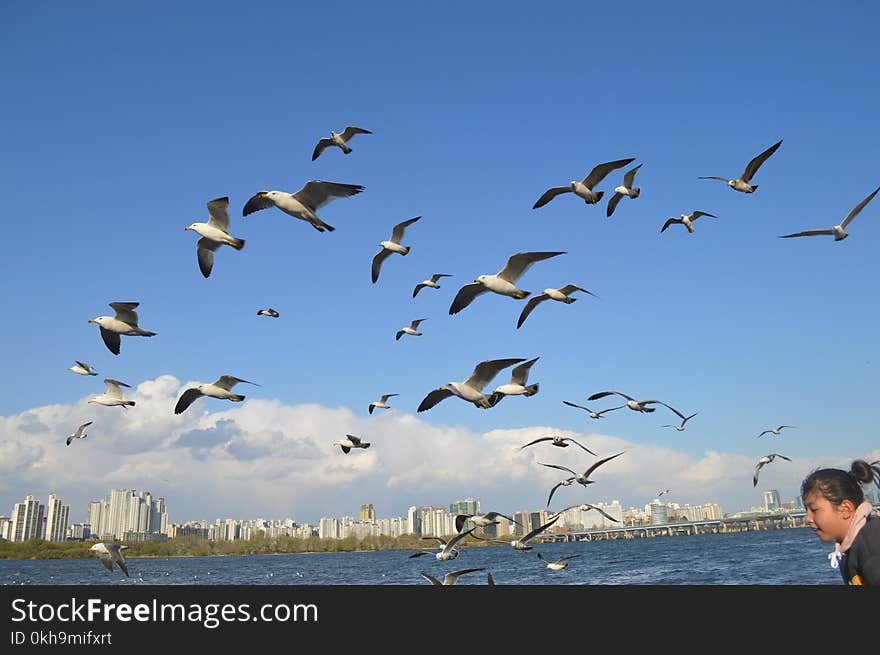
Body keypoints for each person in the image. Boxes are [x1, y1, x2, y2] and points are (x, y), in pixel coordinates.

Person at [801, 458, 880, 585]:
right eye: (806, 510)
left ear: (845, 509)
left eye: (814, 510)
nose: (807, 519)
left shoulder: (872, 543)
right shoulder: (849, 548)